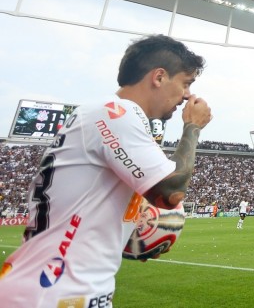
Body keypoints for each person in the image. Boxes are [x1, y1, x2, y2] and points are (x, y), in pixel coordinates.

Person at [0, 34, 212, 307]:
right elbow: (170, 193)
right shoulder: (116, 113)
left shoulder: (107, 115)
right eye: (186, 83)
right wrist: (192, 127)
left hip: (64, 288)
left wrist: (130, 237)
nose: (187, 96)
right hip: (53, 291)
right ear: (159, 77)